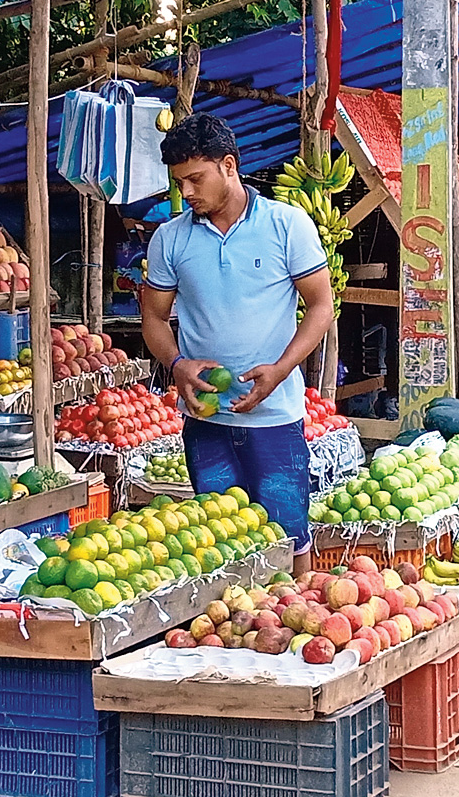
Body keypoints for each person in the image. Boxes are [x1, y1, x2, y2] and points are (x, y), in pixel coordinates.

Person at [141, 114, 335, 550]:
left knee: (290, 542)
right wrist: (176, 364)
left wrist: (282, 370)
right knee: (220, 545)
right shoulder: (169, 239)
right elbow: (153, 318)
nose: (186, 192)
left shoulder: (287, 226)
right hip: (205, 420)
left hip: (274, 419)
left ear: (229, 165)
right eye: (179, 182)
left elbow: (322, 306)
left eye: (195, 179)